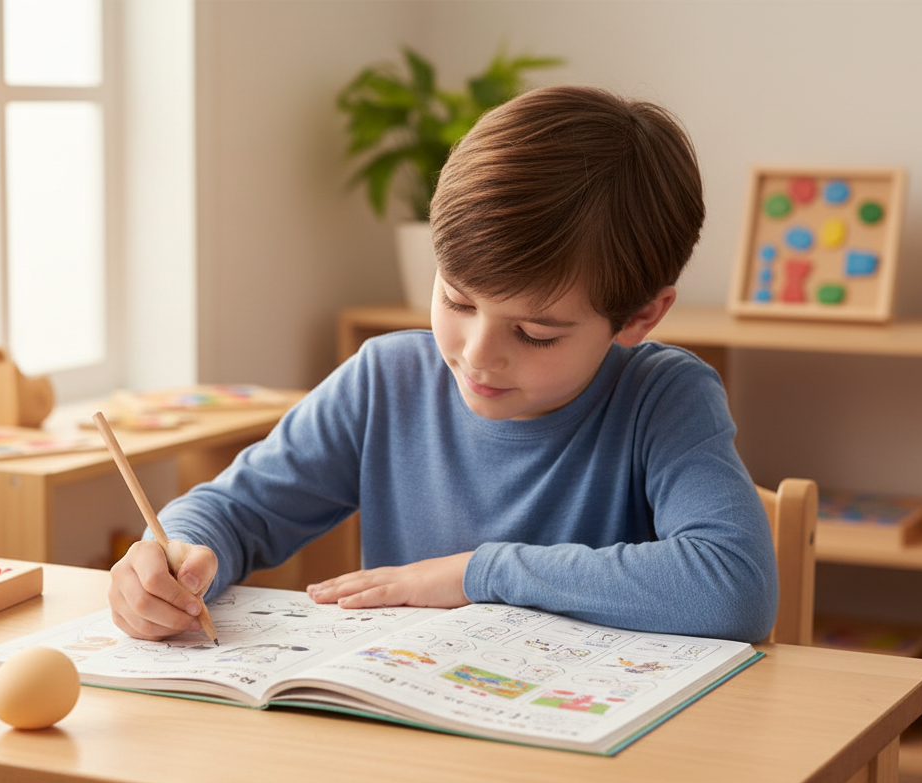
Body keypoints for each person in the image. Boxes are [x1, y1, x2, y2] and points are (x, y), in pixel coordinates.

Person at [109, 85, 778, 644]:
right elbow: (239, 510)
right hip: (414, 741)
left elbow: (732, 590)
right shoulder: (385, 381)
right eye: (457, 299)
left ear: (640, 318)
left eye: (537, 333)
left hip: (590, 758)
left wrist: (474, 574)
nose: (477, 353)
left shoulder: (663, 398)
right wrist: (175, 554)